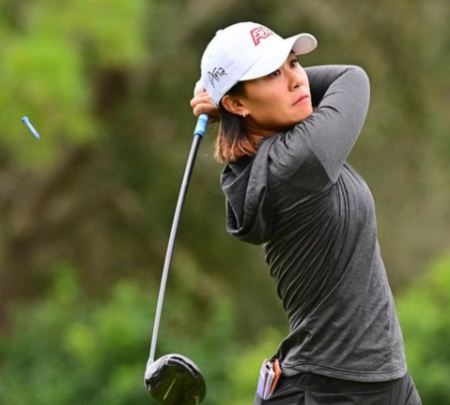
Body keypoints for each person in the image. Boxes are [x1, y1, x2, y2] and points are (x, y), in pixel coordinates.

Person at [191, 21, 422, 405]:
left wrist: (229, 97)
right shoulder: (298, 160)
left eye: (294, 63)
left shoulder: (277, 153)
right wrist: (223, 95)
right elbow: (352, 78)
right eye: (270, 74)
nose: (297, 81)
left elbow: (314, 86)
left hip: (378, 380)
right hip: (335, 389)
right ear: (236, 104)